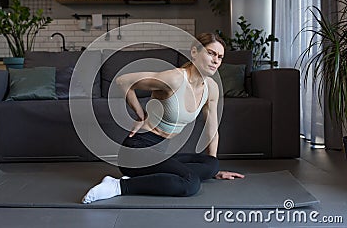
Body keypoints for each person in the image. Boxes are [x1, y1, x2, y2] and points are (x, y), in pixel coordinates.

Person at [81, 32, 244, 204]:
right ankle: (117, 186)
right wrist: (140, 114)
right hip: (137, 152)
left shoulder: (211, 88)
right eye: (211, 53)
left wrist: (211, 171)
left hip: (162, 154)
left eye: (220, 56)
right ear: (194, 52)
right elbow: (123, 81)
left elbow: (212, 130)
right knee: (191, 183)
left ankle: (155, 177)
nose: (216, 60)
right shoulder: (174, 78)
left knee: (212, 164)